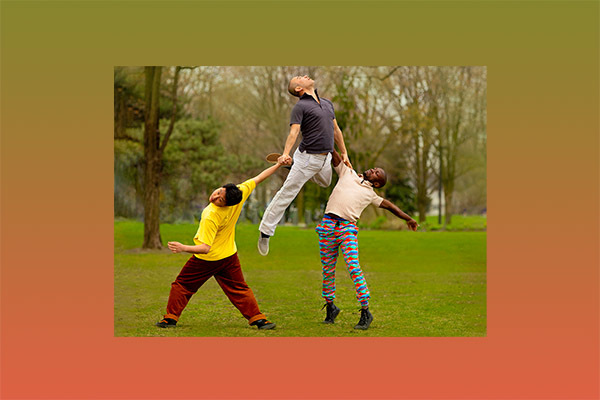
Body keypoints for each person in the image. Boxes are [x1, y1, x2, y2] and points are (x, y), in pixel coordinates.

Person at [156, 160, 285, 330]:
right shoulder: (239, 192)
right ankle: (259, 319)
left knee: (182, 285)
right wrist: (279, 163)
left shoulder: (210, 214)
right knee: (239, 288)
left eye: (220, 200)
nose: (215, 197)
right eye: (218, 192)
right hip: (229, 256)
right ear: (223, 187)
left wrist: (183, 248)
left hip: (207, 259)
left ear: (227, 204)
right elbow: (260, 177)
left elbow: (205, 248)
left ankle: (170, 318)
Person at [317, 150, 418, 330]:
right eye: (374, 168)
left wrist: (408, 218)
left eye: (376, 172)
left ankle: (365, 311)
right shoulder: (347, 172)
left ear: (376, 183)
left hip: (346, 228)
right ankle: (331, 308)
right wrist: (325, 129)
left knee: (353, 267)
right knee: (327, 270)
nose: (373, 169)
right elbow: (333, 152)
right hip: (327, 226)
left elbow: (390, 206)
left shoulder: (371, 194)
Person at [257, 74, 351, 256]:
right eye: (299, 77)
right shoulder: (301, 106)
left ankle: (294, 169)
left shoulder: (327, 103)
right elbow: (294, 132)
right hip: (307, 158)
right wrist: (285, 154)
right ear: (299, 89)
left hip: (325, 160)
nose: (304, 75)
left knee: (325, 182)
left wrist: (344, 152)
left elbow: (336, 130)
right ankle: (265, 231)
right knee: (287, 194)